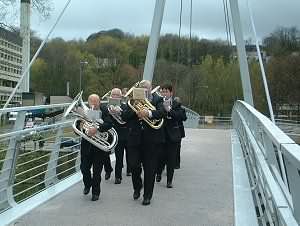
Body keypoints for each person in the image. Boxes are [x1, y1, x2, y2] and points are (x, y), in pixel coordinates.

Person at [121, 80, 166, 205]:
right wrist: (135, 110)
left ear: (151, 88)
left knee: (150, 169)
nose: (145, 90)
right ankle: (137, 186)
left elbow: (162, 112)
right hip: (134, 139)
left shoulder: (157, 99)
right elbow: (124, 116)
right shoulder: (132, 101)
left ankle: (147, 196)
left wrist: (148, 113)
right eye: (142, 88)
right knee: (134, 165)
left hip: (151, 140)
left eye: (147, 88)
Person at [80, 94, 113, 201]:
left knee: (97, 172)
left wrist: (97, 128)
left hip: (99, 147)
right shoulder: (84, 112)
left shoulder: (105, 111)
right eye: (92, 102)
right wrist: (81, 127)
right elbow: (77, 129)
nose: (94, 104)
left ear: (100, 102)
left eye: (96, 102)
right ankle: (87, 184)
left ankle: (95, 193)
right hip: (87, 145)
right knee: (84, 168)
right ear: (88, 103)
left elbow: (109, 124)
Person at [156, 84, 183, 188]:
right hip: (160, 134)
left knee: (171, 159)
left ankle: (169, 181)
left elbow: (180, 116)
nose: (164, 93)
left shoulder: (176, 103)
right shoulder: (158, 102)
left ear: (171, 93)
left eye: (166, 91)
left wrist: (169, 110)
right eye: (162, 91)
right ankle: (158, 173)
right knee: (160, 157)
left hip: (173, 136)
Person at [108, 88, 130, 184]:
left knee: (130, 155)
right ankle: (118, 177)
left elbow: (127, 118)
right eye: (113, 95)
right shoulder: (108, 108)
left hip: (127, 134)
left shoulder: (125, 106)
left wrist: (120, 112)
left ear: (121, 97)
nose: (115, 96)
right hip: (117, 135)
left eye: (117, 95)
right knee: (119, 157)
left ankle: (129, 169)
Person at [174, 96, 187, 169]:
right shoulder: (171, 108)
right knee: (176, 147)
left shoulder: (182, 109)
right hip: (175, 129)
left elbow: (184, 118)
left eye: (177, 101)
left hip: (179, 129)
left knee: (178, 147)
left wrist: (179, 115)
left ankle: (177, 163)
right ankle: (174, 163)